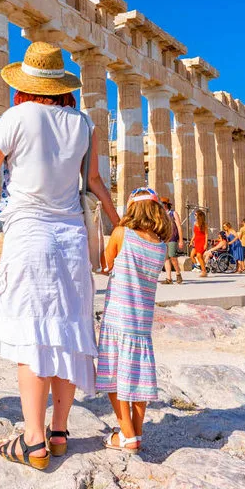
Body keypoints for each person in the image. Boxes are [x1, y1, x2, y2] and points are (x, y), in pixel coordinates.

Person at [0, 42, 119, 471]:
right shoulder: (83, 123)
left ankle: (33, 440)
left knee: (32, 334)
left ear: (25, 84)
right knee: (69, 330)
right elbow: (93, 180)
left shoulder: (15, 118)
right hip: (72, 238)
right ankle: (59, 433)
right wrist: (119, 223)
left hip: (30, 234)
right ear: (61, 84)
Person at [97, 188, 171, 453]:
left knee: (113, 376)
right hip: (142, 320)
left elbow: (105, 264)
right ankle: (137, 432)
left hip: (118, 314)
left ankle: (126, 434)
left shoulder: (122, 233)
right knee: (138, 376)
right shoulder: (161, 245)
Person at [160, 197, 184, 284]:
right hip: (163, 238)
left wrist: (180, 240)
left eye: (162, 203)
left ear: (166, 204)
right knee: (166, 258)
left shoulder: (173, 213)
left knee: (172, 256)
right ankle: (169, 278)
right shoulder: (160, 215)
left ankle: (178, 273)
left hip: (172, 237)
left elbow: (179, 227)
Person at [190, 209, 208, 277]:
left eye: (195, 214)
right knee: (194, 256)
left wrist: (206, 243)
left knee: (199, 256)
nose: (194, 216)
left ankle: (204, 271)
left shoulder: (204, 224)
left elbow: (206, 234)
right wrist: (192, 240)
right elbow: (195, 234)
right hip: (196, 241)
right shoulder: (195, 223)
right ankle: (203, 269)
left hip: (202, 241)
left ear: (199, 216)